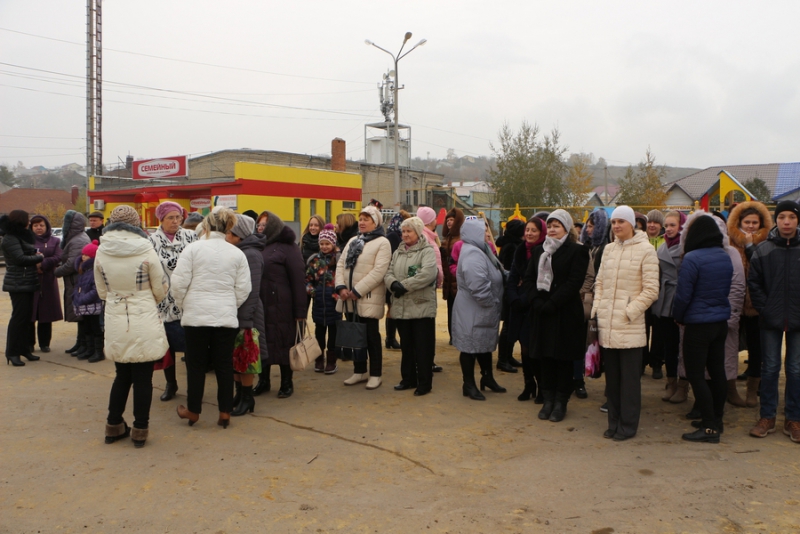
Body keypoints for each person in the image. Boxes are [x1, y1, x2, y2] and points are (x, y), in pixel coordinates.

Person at [96, 205, 169, 448]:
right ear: (136, 223)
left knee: (121, 376)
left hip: (117, 315)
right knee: (143, 378)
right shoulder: (145, 247)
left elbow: (102, 290)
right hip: (143, 315)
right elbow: (159, 287)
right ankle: (140, 429)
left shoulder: (102, 249)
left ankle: (113, 425)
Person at [172, 208, 251, 429]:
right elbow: (244, 288)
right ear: (228, 227)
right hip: (225, 318)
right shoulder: (237, 253)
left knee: (195, 365)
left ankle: (193, 410)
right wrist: (229, 305)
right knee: (224, 365)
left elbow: (178, 284)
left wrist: (183, 305)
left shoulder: (193, 249)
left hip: (195, 317)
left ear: (205, 226)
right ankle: (225, 411)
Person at [591, 205, 659, 441]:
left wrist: (629, 311)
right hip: (607, 325)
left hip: (629, 326)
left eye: (621, 221)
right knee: (613, 381)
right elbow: (599, 283)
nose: (617, 226)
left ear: (632, 224)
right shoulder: (609, 250)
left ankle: (628, 425)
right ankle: (614, 421)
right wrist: (597, 309)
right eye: (614, 222)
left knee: (629, 382)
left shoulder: (646, 250)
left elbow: (651, 290)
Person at [522, 210, 589, 422]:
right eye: (549, 225)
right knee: (545, 359)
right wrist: (536, 300)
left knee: (563, 360)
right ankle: (548, 399)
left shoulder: (577, 251)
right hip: (542, 313)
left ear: (567, 228)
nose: (551, 229)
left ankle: (561, 402)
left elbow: (574, 281)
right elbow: (529, 278)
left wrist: (552, 302)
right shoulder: (540, 249)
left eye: (557, 225)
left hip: (565, 313)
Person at [673, 215, 732, 443]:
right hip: (720, 323)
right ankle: (716, 420)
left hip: (698, 325)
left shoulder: (691, 258)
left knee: (696, 375)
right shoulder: (724, 256)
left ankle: (708, 429)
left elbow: (683, 295)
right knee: (717, 372)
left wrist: (679, 317)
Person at [748, 200, 800, 443]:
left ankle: (793, 419)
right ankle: (767, 417)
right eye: (782, 217)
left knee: (796, 370)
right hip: (770, 319)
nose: (786, 221)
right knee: (769, 369)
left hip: (799, 320)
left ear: (798, 220)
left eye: (791, 217)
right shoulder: (764, 249)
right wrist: (765, 308)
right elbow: (754, 282)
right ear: (776, 220)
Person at [335, 205, 392, 390]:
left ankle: (375, 374)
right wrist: (341, 287)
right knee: (354, 335)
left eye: (366, 219)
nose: (362, 222)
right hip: (349, 298)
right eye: (360, 219)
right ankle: (358, 371)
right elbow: (341, 264)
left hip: (367, 297)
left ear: (375, 222)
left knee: (371, 336)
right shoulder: (353, 241)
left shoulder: (383, 242)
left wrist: (357, 290)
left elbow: (379, 271)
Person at [452, 216, 506, 401]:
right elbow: (479, 287)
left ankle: (487, 378)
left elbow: (497, 270)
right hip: (474, 310)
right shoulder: (473, 254)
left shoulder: (481, 249)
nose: (487, 233)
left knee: (483, 345)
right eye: (483, 229)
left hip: (480, 309)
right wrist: (491, 304)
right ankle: (469, 384)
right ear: (473, 232)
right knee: (469, 347)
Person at [254, 211, 307, 398]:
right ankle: (263, 381)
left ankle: (286, 382)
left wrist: (300, 310)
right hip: (261, 304)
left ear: (274, 226)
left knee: (285, 343)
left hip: (282, 305)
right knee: (262, 342)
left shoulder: (288, 247)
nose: (261, 228)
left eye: (264, 225)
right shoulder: (257, 245)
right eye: (259, 225)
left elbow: (299, 280)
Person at [149, 201, 197, 401]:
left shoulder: (191, 237)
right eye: (171, 217)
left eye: (178, 217)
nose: (176, 221)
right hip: (163, 303)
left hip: (189, 301)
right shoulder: (151, 241)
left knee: (192, 346)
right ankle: (171, 383)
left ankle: (195, 386)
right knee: (167, 345)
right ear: (161, 219)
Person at [384, 216, 438, 396]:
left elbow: (428, 274)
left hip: (421, 308)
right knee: (407, 346)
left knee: (423, 348)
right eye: (404, 231)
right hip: (402, 307)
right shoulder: (398, 251)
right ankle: (408, 379)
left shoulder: (427, 251)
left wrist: (403, 286)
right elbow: (388, 272)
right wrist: (393, 284)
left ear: (418, 232)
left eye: (409, 231)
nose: (405, 234)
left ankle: (424, 383)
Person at [727, 201, 773, 406]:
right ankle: (730, 388)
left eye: (755, 222)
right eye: (747, 222)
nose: (751, 226)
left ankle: (752, 390)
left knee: (756, 349)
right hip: (734, 304)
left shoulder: (767, 244)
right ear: (739, 222)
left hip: (756, 306)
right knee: (730, 348)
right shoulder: (729, 244)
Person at [225, 214, 266, 416]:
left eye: (229, 231)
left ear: (239, 234)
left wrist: (246, 320)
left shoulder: (250, 254)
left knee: (246, 359)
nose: (225, 235)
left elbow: (252, 289)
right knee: (236, 357)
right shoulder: (239, 250)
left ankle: (247, 398)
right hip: (238, 311)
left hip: (247, 313)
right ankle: (239, 394)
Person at [508, 216, 545, 401]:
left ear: (541, 233)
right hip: (519, 307)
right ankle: (528, 384)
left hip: (534, 307)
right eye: (527, 230)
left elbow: (539, 282)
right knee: (523, 348)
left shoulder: (545, 252)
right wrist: (513, 297)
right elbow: (513, 277)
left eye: (534, 230)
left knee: (534, 350)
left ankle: (541, 386)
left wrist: (524, 297)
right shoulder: (520, 251)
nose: (529, 233)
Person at [651, 211, 687, 402]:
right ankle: (671, 382)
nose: (670, 229)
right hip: (664, 300)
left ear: (682, 226)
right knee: (669, 346)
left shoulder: (686, 247)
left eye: (673, 225)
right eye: (667, 225)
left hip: (680, 299)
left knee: (683, 347)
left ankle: (683, 385)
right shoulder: (661, 247)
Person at [1, 210, 44, 366]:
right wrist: (39, 257)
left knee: (26, 318)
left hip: (27, 281)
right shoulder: (10, 238)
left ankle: (24, 349)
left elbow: (24, 252)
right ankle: (12, 352)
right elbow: (19, 259)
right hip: (18, 283)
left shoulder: (20, 235)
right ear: (22, 221)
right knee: (18, 319)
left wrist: (34, 252)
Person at [575, 209, 610, 399]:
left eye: (592, 226)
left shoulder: (605, 248)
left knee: (592, 340)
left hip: (595, 300)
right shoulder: (588, 246)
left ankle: (588, 374)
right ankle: (579, 376)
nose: (588, 230)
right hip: (585, 299)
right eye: (587, 226)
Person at [305, 224, 341, 374]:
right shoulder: (314, 260)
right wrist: (313, 291)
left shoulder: (338, 260)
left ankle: (331, 360)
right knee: (319, 332)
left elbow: (342, 280)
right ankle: (319, 358)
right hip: (319, 303)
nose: (325, 246)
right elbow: (307, 280)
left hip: (334, 304)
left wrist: (337, 295)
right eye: (322, 244)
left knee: (333, 333)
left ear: (333, 244)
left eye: (327, 243)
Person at [55, 210, 91, 356]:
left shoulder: (78, 240)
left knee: (82, 316)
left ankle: (85, 345)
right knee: (80, 316)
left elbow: (71, 264)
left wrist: (56, 271)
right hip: (75, 281)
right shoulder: (76, 238)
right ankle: (80, 343)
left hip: (79, 281)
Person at [29, 214, 63, 353]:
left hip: (48, 281)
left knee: (45, 314)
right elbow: (21, 257)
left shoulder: (54, 241)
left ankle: (44, 343)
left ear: (46, 226)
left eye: (41, 225)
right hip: (30, 281)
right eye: (35, 225)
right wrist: (33, 265)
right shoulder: (27, 240)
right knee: (30, 314)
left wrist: (42, 264)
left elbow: (58, 256)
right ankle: (29, 344)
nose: (39, 228)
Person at [416, 206, 445, 372]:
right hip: (426, 287)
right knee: (425, 325)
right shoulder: (425, 238)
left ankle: (426, 359)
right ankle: (425, 361)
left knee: (426, 324)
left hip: (430, 285)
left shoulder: (428, 237)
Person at [496, 218, 526, 374]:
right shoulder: (512, 246)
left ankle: (508, 356)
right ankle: (503, 359)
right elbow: (507, 269)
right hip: (510, 289)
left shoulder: (510, 244)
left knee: (511, 324)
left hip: (511, 289)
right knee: (508, 325)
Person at [72, 240, 105, 362]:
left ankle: (98, 352)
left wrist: (83, 299)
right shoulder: (83, 270)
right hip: (84, 305)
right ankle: (89, 349)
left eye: (86, 255)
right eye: (83, 254)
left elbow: (96, 289)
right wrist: (75, 296)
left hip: (93, 305)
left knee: (95, 328)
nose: (83, 256)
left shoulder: (95, 271)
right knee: (87, 328)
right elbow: (78, 286)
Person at [383, 211, 410, 351]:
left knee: (392, 308)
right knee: (392, 308)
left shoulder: (392, 235)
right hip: (392, 277)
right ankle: (390, 338)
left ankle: (391, 338)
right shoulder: (394, 237)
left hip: (392, 277)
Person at [441, 207, 465, 345]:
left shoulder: (461, 238)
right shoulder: (447, 237)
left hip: (458, 281)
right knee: (450, 309)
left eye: (452, 219)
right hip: (449, 281)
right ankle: (452, 336)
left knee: (459, 311)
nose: (450, 222)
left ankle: (458, 336)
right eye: (448, 219)